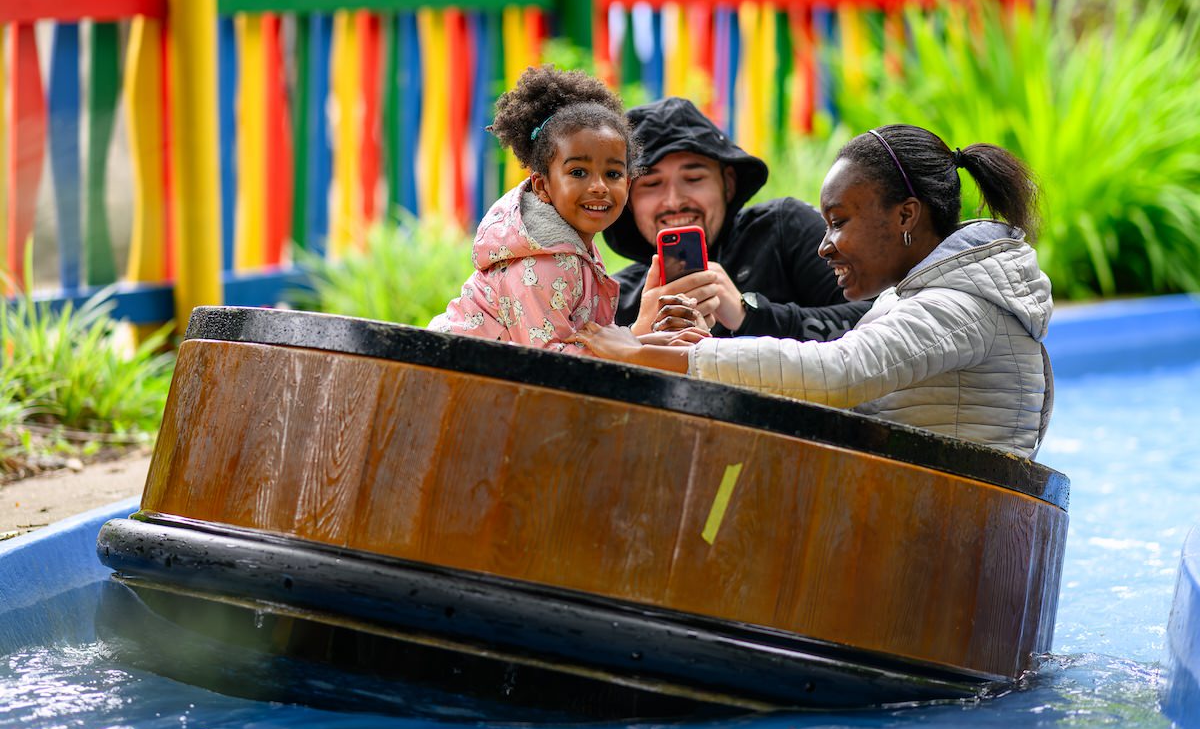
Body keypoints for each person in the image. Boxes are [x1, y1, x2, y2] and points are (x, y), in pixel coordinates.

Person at [570, 124, 1054, 459]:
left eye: (839, 223)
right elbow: (824, 398)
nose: (824, 247)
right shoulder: (910, 300)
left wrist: (657, 356)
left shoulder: (961, 307)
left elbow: (837, 373)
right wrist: (660, 342)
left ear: (906, 215)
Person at [603, 97, 870, 340]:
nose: (674, 202)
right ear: (627, 199)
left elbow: (884, 319)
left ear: (728, 184)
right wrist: (638, 338)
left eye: (694, 178)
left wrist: (748, 313)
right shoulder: (615, 297)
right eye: (651, 184)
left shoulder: (784, 229)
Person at [429, 65, 638, 352]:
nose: (599, 186)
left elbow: (584, 337)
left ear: (628, 182)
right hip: (454, 380)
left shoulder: (570, 248)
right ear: (541, 186)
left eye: (613, 174)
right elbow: (551, 367)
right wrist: (637, 354)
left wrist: (647, 340)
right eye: (578, 172)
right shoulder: (542, 262)